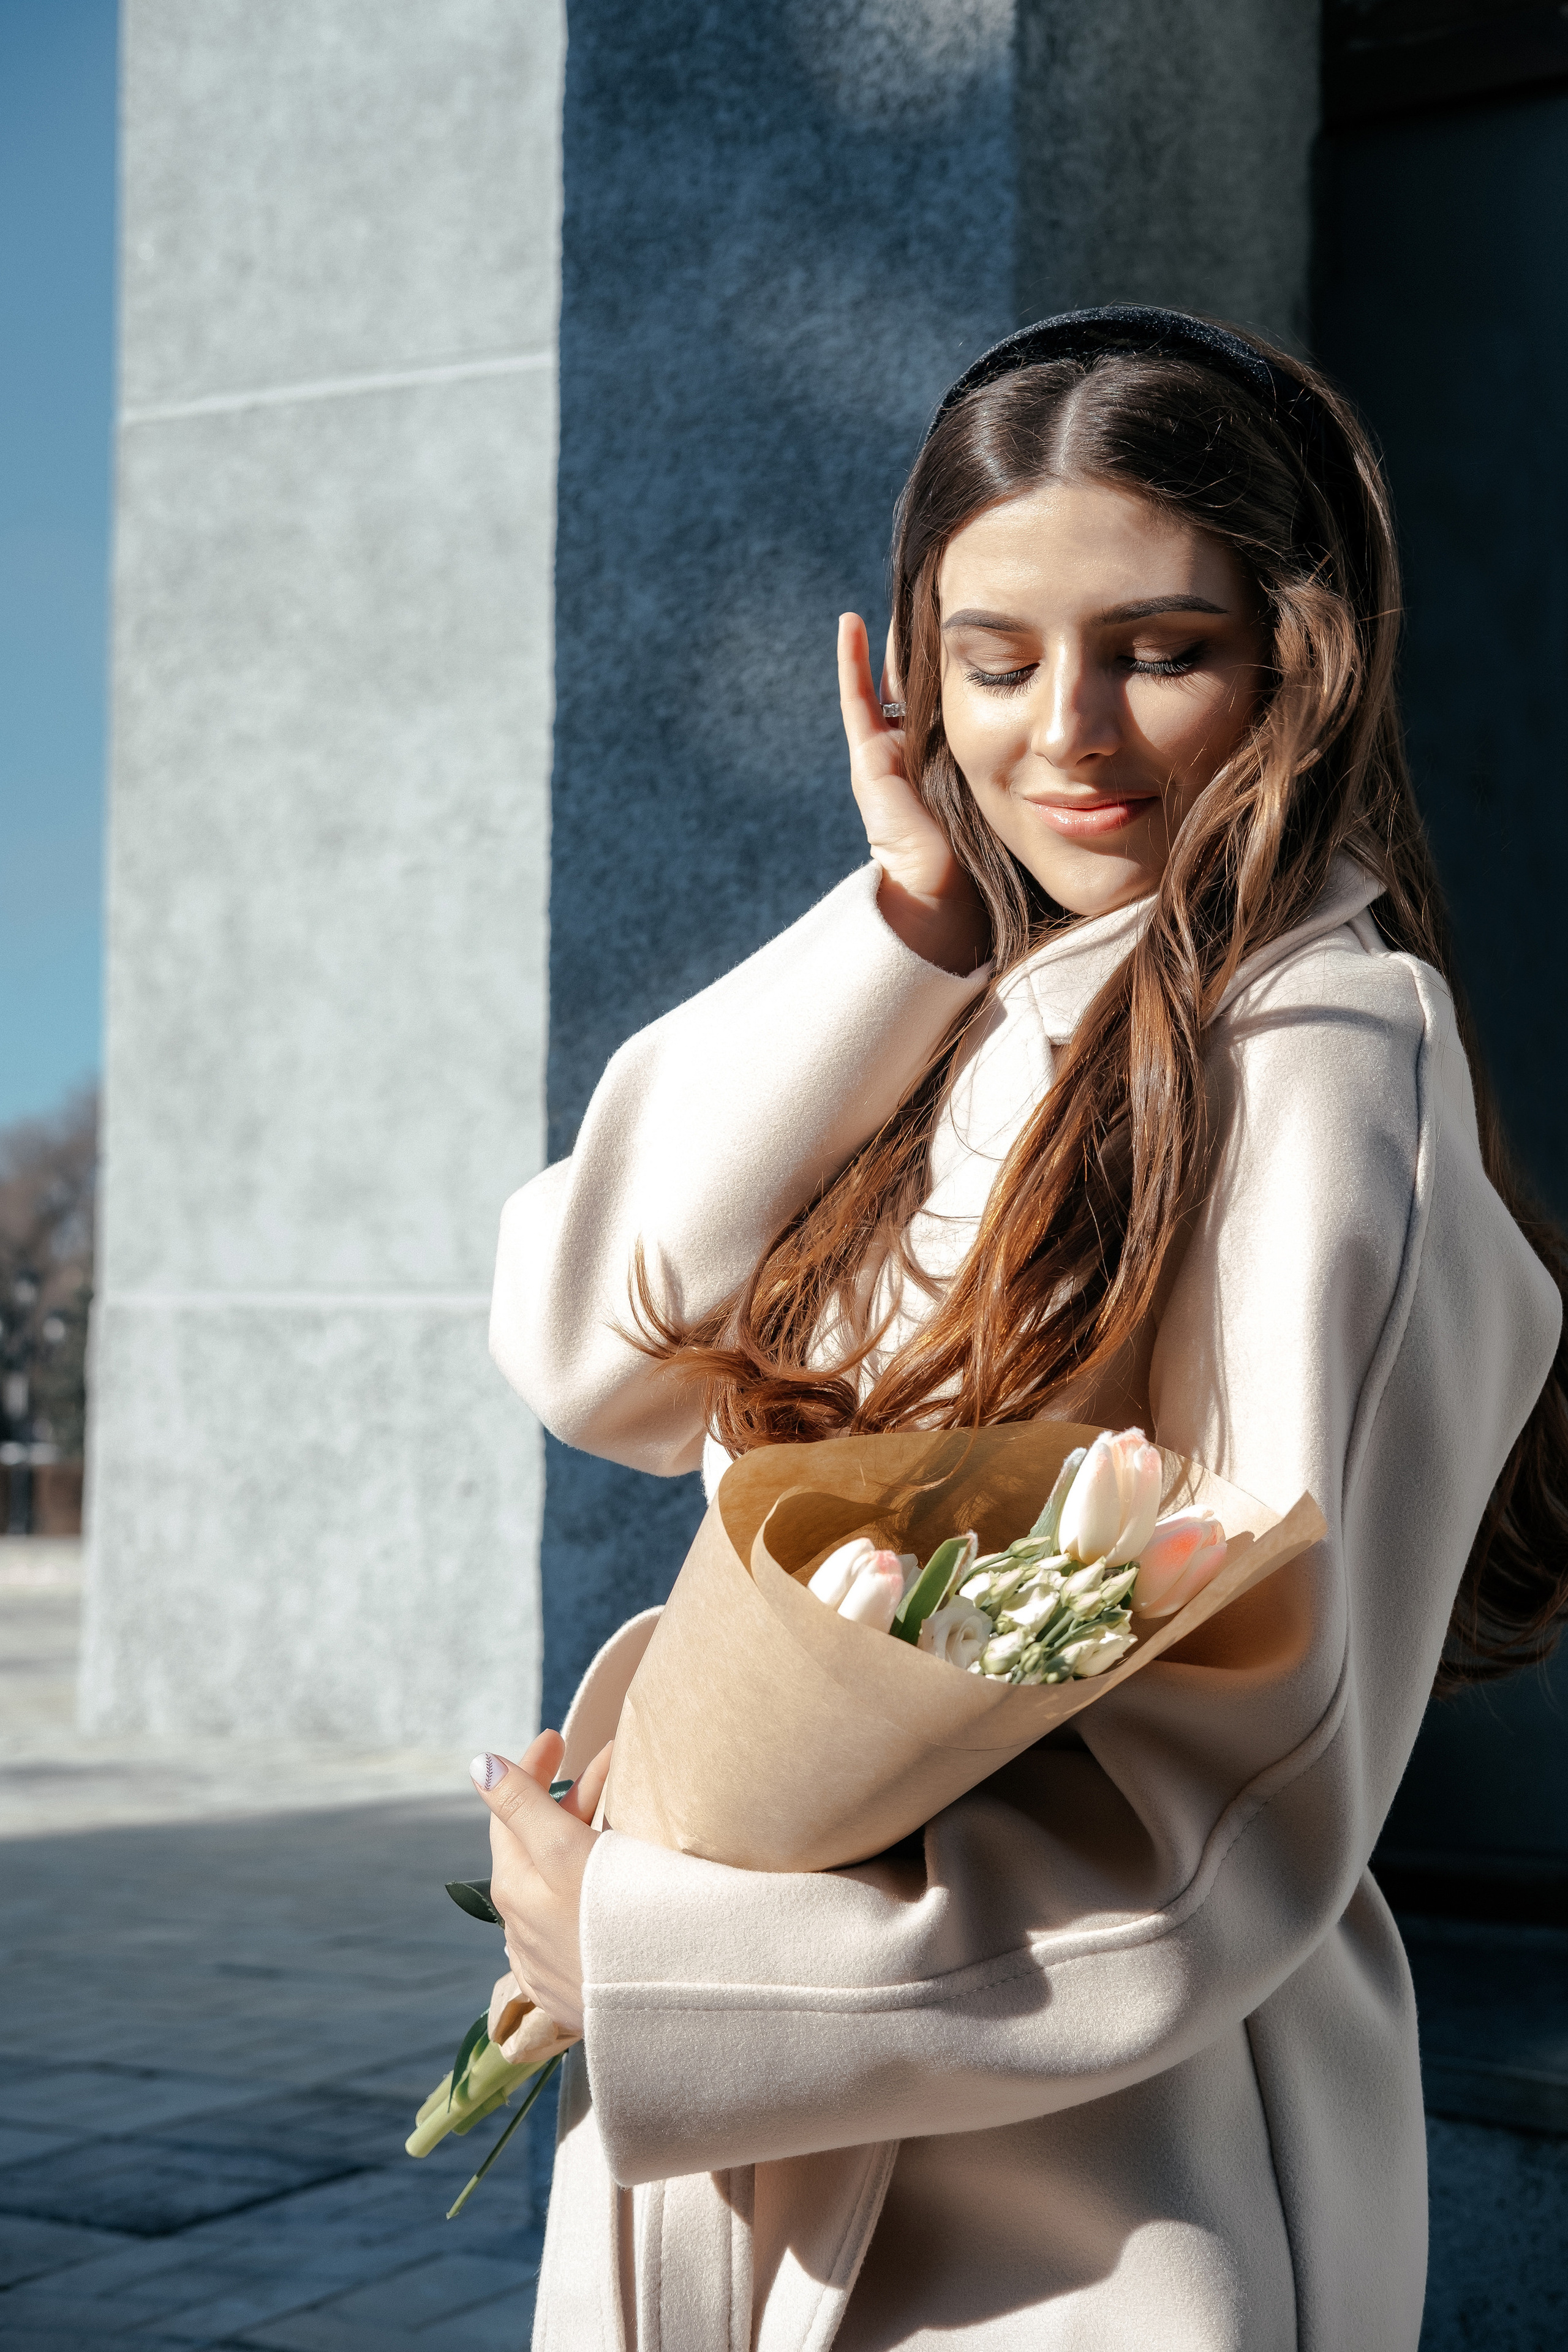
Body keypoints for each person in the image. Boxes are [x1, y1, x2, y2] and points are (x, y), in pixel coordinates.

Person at [472, 307, 1568, 2351]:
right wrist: (903, 919)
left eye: (1161, 653)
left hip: (1086, 2210)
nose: (1067, 733)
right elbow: (587, 1350)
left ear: (1296, 663)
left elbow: (1237, 1794)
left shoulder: (1322, 1053)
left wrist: (668, 1958)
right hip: (781, 2141)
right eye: (995, 661)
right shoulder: (954, 996)